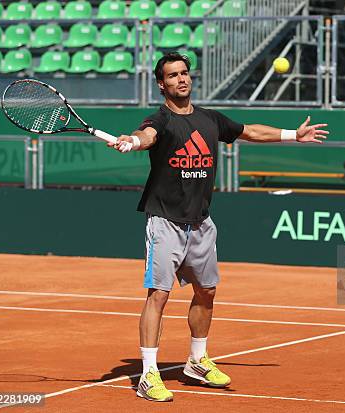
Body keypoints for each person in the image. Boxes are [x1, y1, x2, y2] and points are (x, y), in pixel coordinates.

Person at [109, 52, 329, 402]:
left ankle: (197, 360)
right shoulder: (161, 120)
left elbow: (250, 131)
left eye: (184, 73)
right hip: (165, 221)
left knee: (206, 291)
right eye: (172, 75)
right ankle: (148, 374)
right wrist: (133, 141)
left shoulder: (210, 119)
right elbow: (146, 134)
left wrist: (293, 135)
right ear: (161, 84)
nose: (181, 79)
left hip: (201, 223)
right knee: (159, 295)